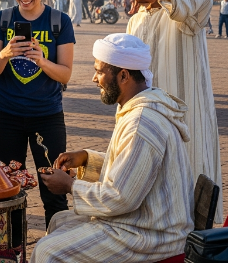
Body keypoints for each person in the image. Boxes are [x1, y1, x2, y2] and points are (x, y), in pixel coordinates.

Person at [33, 33, 193, 263]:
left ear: (123, 75)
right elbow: (130, 170)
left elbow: (120, 198)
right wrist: (86, 159)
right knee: (60, 220)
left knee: (49, 251)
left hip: (151, 234)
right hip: (141, 221)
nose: (94, 78)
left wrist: (70, 186)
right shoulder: (138, 108)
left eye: (99, 71)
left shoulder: (141, 123)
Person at [126, 0, 222, 220]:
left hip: (186, 113)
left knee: (191, 175)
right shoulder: (135, 20)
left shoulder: (183, 7)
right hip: (150, 115)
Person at [0, 0, 75, 228]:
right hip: (6, 116)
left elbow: (66, 75)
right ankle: (11, 252)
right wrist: (5, 54)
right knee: (9, 190)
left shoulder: (59, 22)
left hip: (46, 117)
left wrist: (41, 60)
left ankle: (55, 250)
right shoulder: (2, 20)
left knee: (54, 190)